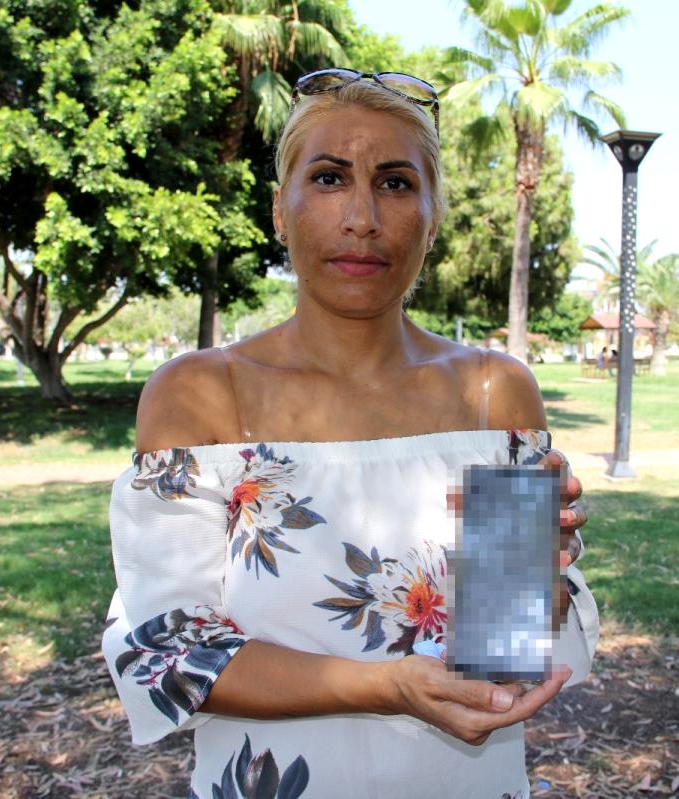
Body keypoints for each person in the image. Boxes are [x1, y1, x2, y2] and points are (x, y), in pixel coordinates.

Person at [101, 68, 597, 799]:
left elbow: (499, 653)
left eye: (395, 183)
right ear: (280, 209)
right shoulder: (200, 395)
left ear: (432, 216)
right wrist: (387, 686)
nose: (362, 217)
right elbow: (172, 652)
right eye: (329, 178)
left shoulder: (495, 392)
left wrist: (536, 582)